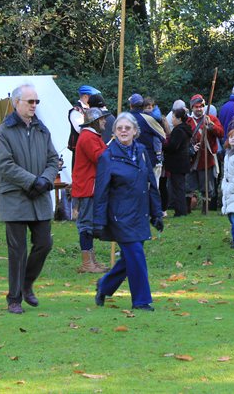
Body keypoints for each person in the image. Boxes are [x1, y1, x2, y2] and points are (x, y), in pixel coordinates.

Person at [0, 83, 59, 314]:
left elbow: (53, 160)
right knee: (17, 250)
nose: (34, 105)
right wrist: (32, 181)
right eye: (30, 101)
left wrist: (45, 180)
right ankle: (14, 299)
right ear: (16, 102)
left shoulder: (42, 130)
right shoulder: (3, 132)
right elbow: (5, 165)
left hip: (39, 196)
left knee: (44, 243)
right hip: (15, 197)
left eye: (36, 101)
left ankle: (26, 283)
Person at [93, 113, 163, 311]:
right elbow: (101, 192)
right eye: (119, 128)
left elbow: (151, 183)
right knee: (136, 255)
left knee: (130, 258)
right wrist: (98, 221)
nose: (123, 131)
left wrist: (156, 212)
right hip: (120, 217)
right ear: (114, 132)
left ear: (135, 131)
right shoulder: (107, 157)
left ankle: (105, 285)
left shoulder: (141, 151)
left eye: (127, 128)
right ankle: (141, 300)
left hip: (140, 214)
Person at [71, 107, 110, 274]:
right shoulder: (88, 137)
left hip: (90, 186)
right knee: (86, 225)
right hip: (86, 187)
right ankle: (87, 263)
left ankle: (91, 261)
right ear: (94, 121)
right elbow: (100, 158)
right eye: (102, 119)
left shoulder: (92, 136)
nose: (105, 121)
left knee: (89, 224)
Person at [187, 94, 224, 212]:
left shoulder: (211, 119)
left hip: (206, 159)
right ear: (192, 108)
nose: (199, 109)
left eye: (201, 106)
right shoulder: (188, 121)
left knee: (207, 188)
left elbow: (221, 133)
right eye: (196, 107)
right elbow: (183, 139)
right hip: (192, 159)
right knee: (189, 186)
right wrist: (191, 147)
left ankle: (205, 209)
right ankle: (187, 210)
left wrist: (212, 127)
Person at [164, 108, 193, 216]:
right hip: (182, 162)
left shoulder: (178, 131)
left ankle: (180, 211)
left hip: (177, 163)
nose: (172, 119)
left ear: (179, 119)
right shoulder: (184, 129)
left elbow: (173, 146)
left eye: (173, 117)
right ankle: (181, 209)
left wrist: (164, 146)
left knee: (178, 187)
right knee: (179, 186)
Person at [67, 85, 98, 168]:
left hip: (89, 146)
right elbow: (80, 129)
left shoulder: (91, 109)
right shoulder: (76, 111)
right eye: (93, 97)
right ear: (85, 97)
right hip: (79, 147)